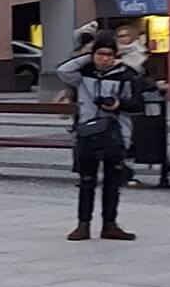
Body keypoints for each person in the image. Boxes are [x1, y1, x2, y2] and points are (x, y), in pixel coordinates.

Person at [57, 32, 151, 242]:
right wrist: (87, 56)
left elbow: (138, 105)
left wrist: (118, 105)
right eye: (100, 53)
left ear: (115, 55)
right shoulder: (83, 74)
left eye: (109, 54)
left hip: (116, 134)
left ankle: (110, 224)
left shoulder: (126, 75)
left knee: (112, 182)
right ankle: (83, 224)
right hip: (87, 133)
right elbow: (63, 70)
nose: (104, 58)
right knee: (86, 180)